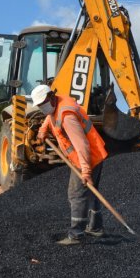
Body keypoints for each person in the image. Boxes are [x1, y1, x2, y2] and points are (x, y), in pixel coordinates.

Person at [31, 85, 109, 245]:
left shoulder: (67, 116)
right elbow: (50, 116)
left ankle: (76, 234)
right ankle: (95, 228)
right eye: (39, 106)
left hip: (86, 158)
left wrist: (86, 171)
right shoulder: (56, 105)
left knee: (76, 194)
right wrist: (44, 129)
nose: (41, 108)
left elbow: (82, 145)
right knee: (92, 193)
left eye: (42, 104)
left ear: (51, 97)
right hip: (94, 154)